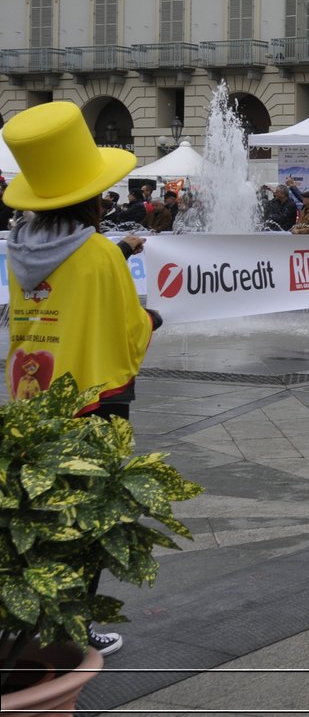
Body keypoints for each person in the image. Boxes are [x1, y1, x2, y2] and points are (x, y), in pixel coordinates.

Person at [4, 102, 164, 659]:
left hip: (33, 398)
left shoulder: (19, 249)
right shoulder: (99, 253)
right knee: (88, 517)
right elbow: (127, 333)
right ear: (90, 200)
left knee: (40, 514)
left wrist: (116, 253)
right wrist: (152, 320)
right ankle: (75, 631)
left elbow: (63, 290)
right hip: (95, 402)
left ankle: (30, 622)